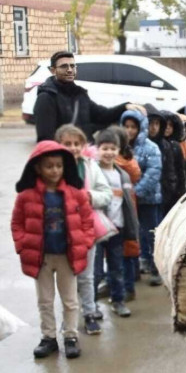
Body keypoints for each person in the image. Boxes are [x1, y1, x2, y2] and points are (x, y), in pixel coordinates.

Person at [12, 140, 95, 359]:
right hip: (42, 258)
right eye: (49, 166)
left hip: (67, 256)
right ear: (37, 167)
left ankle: (70, 336)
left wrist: (85, 243)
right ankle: (48, 337)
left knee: (70, 300)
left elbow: (88, 221)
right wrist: (22, 245)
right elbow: (17, 222)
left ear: (64, 166)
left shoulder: (75, 193)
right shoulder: (27, 196)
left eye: (58, 165)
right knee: (45, 300)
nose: (55, 170)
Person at [55, 124, 112, 335]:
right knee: (66, 278)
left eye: (76, 143)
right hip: (60, 231)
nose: (73, 148)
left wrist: (89, 197)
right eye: (67, 143)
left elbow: (106, 194)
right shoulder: (52, 166)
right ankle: (69, 318)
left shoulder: (90, 166)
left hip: (86, 229)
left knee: (87, 276)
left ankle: (89, 312)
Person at [34, 51, 142, 142]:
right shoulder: (46, 98)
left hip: (85, 155)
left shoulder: (80, 95)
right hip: (65, 158)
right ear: (53, 70)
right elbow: (45, 138)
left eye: (72, 66)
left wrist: (125, 106)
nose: (70, 70)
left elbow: (102, 115)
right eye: (64, 66)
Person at [93, 129, 138, 318]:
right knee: (94, 270)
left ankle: (118, 300)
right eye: (105, 148)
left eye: (113, 148)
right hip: (96, 229)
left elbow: (128, 203)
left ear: (118, 150)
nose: (109, 152)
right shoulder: (92, 171)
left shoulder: (123, 175)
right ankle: (91, 304)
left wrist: (131, 225)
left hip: (117, 228)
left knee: (116, 266)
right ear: (97, 149)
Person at [121, 109, 162, 287]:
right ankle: (136, 267)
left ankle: (156, 267)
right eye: (126, 126)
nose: (129, 130)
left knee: (151, 233)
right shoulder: (120, 147)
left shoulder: (151, 148)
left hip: (147, 199)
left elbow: (153, 173)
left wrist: (135, 193)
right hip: (128, 202)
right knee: (132, 235)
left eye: (133, 127)